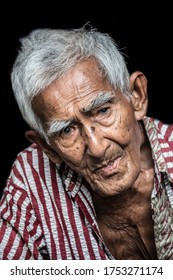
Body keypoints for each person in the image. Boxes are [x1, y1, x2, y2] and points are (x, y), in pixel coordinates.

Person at [0, 25, 173, 261]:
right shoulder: (30, 179)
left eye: (102, 110)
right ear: (47, 147)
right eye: (67, 130)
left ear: (136, 96)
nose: (97, 148)